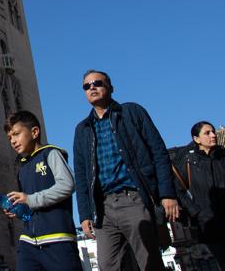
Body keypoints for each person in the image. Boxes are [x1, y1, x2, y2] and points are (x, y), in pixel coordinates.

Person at [72, 70, 178, 271]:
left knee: (148, 262)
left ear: (110, 87)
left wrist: (167, 194)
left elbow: (159, 153)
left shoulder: (132, 112)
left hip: (134, 199)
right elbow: (81, 173)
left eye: (97, 83)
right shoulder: (82, 129)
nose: (92, 88)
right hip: (102, 208)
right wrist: (85, 213)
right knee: (108, 264)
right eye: (87, 86)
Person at [2, 110, 84, 271]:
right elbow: (30, 203)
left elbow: (68, 185)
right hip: (28, 242)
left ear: (34, 132)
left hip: (57, 238)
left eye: (17, 134)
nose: (13, 141)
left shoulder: (50, 154)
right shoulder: (22, 168)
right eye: (10, 137)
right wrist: (18, 209)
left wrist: (30, 199)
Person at [174, 121, 225, 271]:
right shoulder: (188, 165)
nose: (213, 135)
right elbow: (178, 191)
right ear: (196, 139)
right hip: (211, 228)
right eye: (207, 133)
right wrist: (196, 213)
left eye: (213, 131)